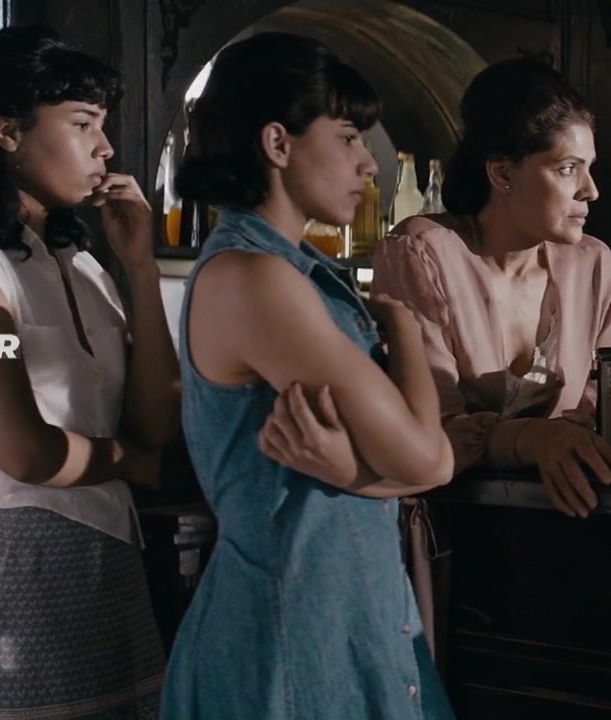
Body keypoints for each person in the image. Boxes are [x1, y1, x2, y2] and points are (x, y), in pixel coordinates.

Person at [160, 33, 455, 718]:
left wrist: (352, 471)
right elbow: (428, 458)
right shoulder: (255, 278)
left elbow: (418, 465)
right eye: (349, 138)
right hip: (291, 639)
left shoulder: (298, 272)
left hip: (347, 622)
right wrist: (406, 332)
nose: (368, 163)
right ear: (278, 143)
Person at [0, 25, 177, 718]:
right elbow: (25, 452)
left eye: (103, 126)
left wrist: (141, 267)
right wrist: (131, 462)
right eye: (83, 123)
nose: (105, 147)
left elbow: (156, 422)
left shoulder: (83, 266)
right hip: (12, 580)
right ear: (7, 133)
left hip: (113, 578)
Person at [375, 57, 611, 519]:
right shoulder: (424, 253)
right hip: (449, 524)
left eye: (590, 168)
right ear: (503, 174)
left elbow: (606, 408)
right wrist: (530, 439)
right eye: (568, 169)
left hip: (573, 517)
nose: (590, 190)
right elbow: (427, 430)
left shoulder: (594, 266)